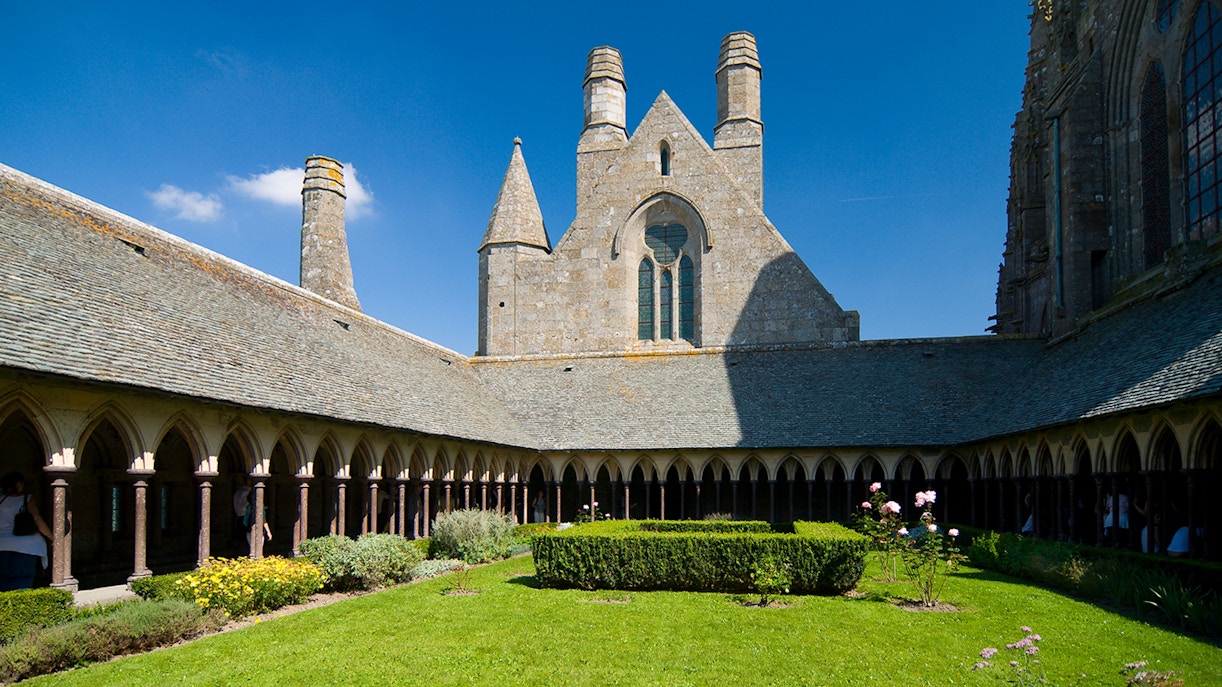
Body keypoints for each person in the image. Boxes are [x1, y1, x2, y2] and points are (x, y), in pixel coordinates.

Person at [0, 471, 53, 591]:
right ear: (18, 484)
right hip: (26, 545)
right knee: (22, 580)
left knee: (2, 579)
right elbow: (36, 518)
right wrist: (52, 537)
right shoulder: (27, 499)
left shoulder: (1, 500)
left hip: (1, 543)